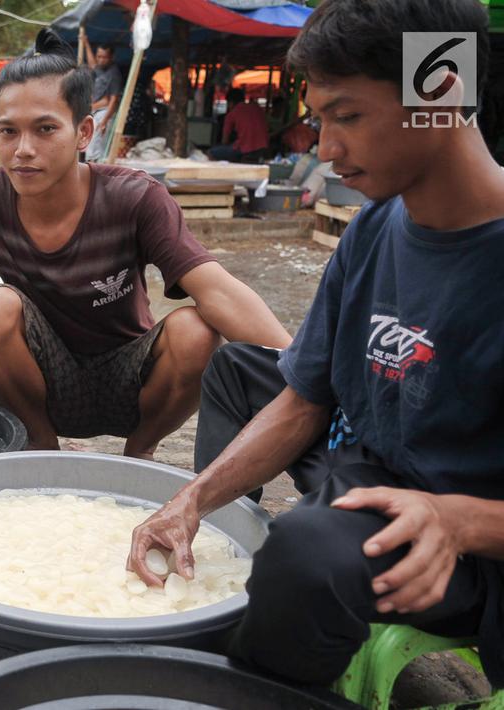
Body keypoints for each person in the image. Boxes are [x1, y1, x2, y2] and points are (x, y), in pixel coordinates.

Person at [126, 0, 504, 688]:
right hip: (367, 467)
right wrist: (192, 503)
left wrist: (459, 520)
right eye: (321, 118)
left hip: (466, 546)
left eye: (347, 115)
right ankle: (239, 555)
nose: (324, 148)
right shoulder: (374, 229)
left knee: (307, 551)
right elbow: (305, 400)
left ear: (440, 92)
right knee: (240, 368)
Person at [0, 30, 291, 457]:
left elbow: (217, 290)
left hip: (131, 377)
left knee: (197, 329)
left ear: (84, 134)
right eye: (8, 130)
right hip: (43, 383)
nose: (23, 148)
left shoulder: (134, 197)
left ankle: (140, 451)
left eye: (45, 129)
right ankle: (42, 448)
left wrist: (303, 372)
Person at [81, 39, 123, 162]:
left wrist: (104, 121)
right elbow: (92, 64)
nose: (100, 60)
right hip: (95, 111)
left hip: (105, 113)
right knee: (90, 141)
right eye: (98, 56)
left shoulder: (114, 74)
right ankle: (90, 164)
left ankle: (95, 167)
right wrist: (86, 43)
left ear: (111, 57)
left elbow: (113, 100)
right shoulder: (99, 68)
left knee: (98, 146)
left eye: (104, 57)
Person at [209, 88, 269, 162]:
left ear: (230, 102)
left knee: (212, 152)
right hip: (263, 147)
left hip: (245, 149)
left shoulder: (231, 114)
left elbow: (224, 140)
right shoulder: (257, 108)